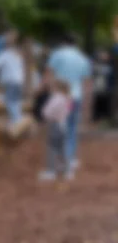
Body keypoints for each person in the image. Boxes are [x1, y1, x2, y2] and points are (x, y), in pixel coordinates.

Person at [46, 33, 92, 171]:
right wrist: (87, 104)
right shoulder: (83, 58)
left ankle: (56, 162)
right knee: (71, 129)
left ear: (63, 42)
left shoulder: (57, 54)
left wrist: (50, 93)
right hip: (76, 97)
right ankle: (69, 158)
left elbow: (49, 74)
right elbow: (87, 83)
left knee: (57, 129)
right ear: (75, 43)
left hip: (60, 97)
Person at [0, 32, 25, 127]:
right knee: (15, 101)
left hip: (11, 82)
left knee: (11, 103)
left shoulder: (5, 54)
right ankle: (14, 121)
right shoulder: (20, 55)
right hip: (21, 82)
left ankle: (18, 122)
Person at [39, 79, 73, 181]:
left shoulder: (56, 98)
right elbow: (68, 110)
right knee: (62, 148)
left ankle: (51, 172)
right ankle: (67, 171)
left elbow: (47, 111)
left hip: (55, 125)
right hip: (63, 125)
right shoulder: (67, 98)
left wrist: (45, 115)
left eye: (54, 87)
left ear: (57, 88)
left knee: (52, 148)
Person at [92, 49, 111, 122]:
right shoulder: (97, 63)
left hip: (106, 86)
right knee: (98, 101)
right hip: (98, 85)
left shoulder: (109, 64)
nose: (104, 57)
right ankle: (97, 116)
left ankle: (104, 116)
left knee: (105, 101)